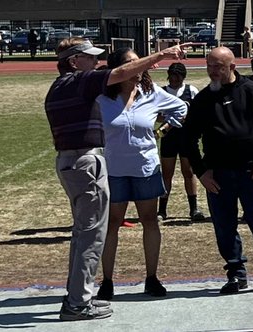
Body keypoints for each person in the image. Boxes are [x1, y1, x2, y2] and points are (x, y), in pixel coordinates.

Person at [44, 37, 186, 320]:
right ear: (74, 62)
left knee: (83, 234)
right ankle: (78, 303)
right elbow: (119, 73)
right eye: (90, 58)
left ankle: (76, 296)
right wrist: (162, 55)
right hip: (86, 163)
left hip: (73, 162)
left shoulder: (59, 86)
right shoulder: (80, 82)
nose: (97, 64)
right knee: (92, 236)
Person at [182, 47, 253, 294]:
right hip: (218, 176)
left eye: (218, 67)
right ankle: (236, 273)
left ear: (232, 67)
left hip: (251, 174)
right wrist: (201, 172)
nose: (213, 72)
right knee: (224, 225)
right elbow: (188, 138)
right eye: (209, 66)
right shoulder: (203, 100)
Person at [94, 48, 188, 300]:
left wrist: (166, 126)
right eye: (132, 64)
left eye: (140, 64)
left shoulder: (152, 93)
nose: (139, 69)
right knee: (111, 224)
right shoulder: (102, 98)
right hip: (113, 171)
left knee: (150, 221)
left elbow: (182, 108)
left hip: (146, 168)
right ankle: (107, 281)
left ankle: (151, 278)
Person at [158, 63, 206, 222]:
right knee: (167, 173)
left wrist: (189, 118)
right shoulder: (162, 92)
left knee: (189, 172)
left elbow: (199, 112)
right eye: (172, 75)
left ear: (183, 76)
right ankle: (162, 210)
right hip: (168, 137)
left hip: (187, 136)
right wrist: (166, 119)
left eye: (178, 76)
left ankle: (194, 209)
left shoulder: (191, 91)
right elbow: (154, 114)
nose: (174, 79)